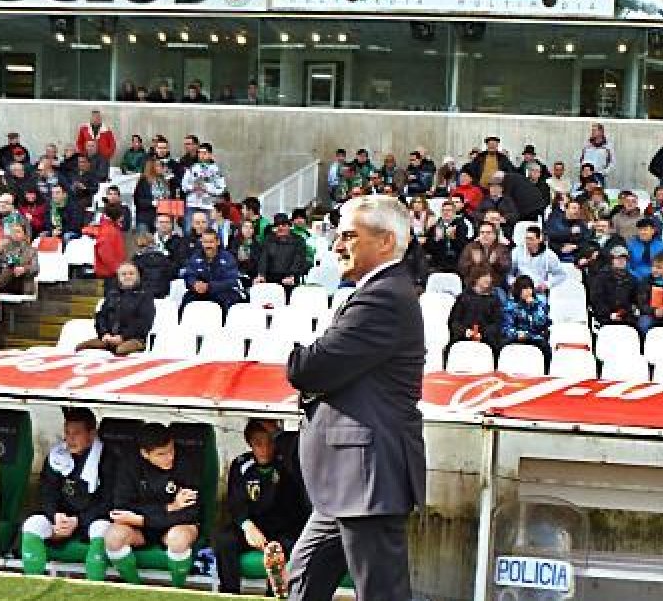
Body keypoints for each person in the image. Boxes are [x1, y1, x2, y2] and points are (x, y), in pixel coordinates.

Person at [285, 195, 426, 600]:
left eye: (349, 235)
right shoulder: (381, 293)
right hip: (350, 479)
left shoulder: (383, 297)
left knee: (380, 592)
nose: (336, 245)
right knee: (304, 578)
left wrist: (301, 362)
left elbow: (309, 369)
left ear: (384, 242)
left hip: (368, 475)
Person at [213, 420, 309, 595]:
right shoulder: (240, 464)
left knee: (283, 547)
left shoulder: (287, 465)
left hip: (281, 528)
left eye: (270, 442)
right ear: (250, 443)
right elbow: (235, 502)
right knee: (224, 539)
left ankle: (274, 592)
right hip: (252, 526)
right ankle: (229, 592)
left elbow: (295, 506)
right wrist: (247, 526)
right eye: (258, 443)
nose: (265, 449)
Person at [20, 407, 114, 580]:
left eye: (76, 433)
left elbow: (109, 502)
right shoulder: (56, 456)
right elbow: (47, 491)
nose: (70, 439)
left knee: (101, 529)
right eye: (67, 432)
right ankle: (32, 583)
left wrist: (78, 521)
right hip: (61, 520)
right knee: (32, 524)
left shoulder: (108, 459)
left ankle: (94, 586)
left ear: (92, 434)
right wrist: (56, 515)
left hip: (91, 521)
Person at [105, 423, 201, 588]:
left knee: (178, 539)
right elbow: (121, 508)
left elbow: (190, 513)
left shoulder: (186, 462)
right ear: (145, 454)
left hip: (174, 525)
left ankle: (177, 591)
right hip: (142, 530)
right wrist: (169, 507)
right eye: (161, 454)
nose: (169, 457)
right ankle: (135, 589)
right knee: (113, 537)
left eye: (171, 450)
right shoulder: (129, 464)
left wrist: (142, 519)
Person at [76, 263, 155, 355]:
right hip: (109, 338)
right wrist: (104, 334)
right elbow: (101, 317)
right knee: (81, 348)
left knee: (120, 350)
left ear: (138, 276)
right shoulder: (112, 294)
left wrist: (122, 337)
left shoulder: (145, 296)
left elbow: (143, 323)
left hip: (134, 339)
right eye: (124, 274)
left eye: (131, 273)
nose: (127, 276)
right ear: (119, 277)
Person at [182, 229, 244, 311]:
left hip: (222, 292)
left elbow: (231, 281)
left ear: (217, 242)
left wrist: (209, 286)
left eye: (211, 242)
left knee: (227, 301)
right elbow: (189, 275)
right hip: (200, 292)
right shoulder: (195, 257)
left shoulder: (228, 258)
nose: (208, 245)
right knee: (187, 300)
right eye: (205, 242)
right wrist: (195, 284)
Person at [501, 274, 552, 365]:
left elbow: (541, 324)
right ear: (518, 290)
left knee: (544, 346)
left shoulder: (539, 304)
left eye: (530, 288)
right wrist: (516, 334)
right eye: (524, 288)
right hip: (517, 337)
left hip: (535, 337)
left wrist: (534, 306)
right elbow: (506, 328)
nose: (528, 291)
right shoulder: (510, 305)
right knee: (502, 344)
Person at [255, 213, 311, 294]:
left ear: (289, 226)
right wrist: (261, 274)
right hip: (271, 277)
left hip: (290, 277)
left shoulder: (299, 240)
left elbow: (299, 259)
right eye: (277, 226)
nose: (280, 228)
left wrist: (292, 275)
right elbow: (263, 257)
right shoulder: (269, 239)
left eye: (283, 225)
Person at [448, 272, 504, 352]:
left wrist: (482, 334)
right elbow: (454, 322)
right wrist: (465, 332)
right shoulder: (464, 297)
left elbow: (497, 324)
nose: (488, 279)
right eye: (484, 276)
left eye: (489, 276)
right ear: (476, 278)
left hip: (486, 342)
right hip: (462, 339)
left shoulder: (494, 300)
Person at [180, 143, 226, 234]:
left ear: (210, 154)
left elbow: (221, 188)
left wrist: (207, 188)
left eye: (204, 153)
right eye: (200, 153)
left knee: (208, 231)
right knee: (188, 230)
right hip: (192, 204)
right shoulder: (192, 168)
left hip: (208, 205)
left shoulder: (216, 170)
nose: (201, 155)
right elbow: (184, 185)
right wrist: (193, 187)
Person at [588, 246, 638, 327]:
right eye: (618, 258)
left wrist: (624, 313)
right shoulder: (601, 278)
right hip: (604, 318)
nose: (621, 261)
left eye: (624, 259)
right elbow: (596, 300)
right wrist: (609, 314)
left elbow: (635, 301)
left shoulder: (632, 280)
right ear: (612, 260)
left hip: (626, 318)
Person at [510, 225, 568, 294]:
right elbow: (508, 272)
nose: (527, 242)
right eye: (526, 238)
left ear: (539, 240)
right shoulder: (517, 251)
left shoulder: (549, 255)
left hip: (538, 291)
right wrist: (513, 282)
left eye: (531, 239)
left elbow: (561, 274)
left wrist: (547, 284)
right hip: (519, 289)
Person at [0, 221, 38, 295]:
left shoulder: (31, 250)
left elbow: (35, 268)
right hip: (6, 283)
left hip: (22, 284)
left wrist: (24, 269)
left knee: (11, 268)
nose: (15, 234)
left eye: (18, 232)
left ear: (25, 235)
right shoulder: (5, 248)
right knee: (8, 268)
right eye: (13, 232)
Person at [425, 200, 471, 273]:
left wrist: (453, 238)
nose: (445, 212)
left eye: (448, 210)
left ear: (454, 212)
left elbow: (463, 247)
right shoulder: (435, 227)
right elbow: (428, 248)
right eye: (443, 210)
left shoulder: (461, 226)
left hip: (456, 261)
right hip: (438, 263)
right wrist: (436, 239)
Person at [131, 233, 175, 299]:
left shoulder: (138, 260)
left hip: (144, 295)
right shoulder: (165, 258)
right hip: (162, 293)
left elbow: (135, 280)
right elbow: (171, 274)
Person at [626, 218, 663, 282]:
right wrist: (635, 276)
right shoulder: (631, 244)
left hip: (656, 279)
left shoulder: (661, 246)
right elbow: (627, 264)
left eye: (645, 230)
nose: (642, 232)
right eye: (640, 230)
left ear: (653, 231)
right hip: (634, 278)